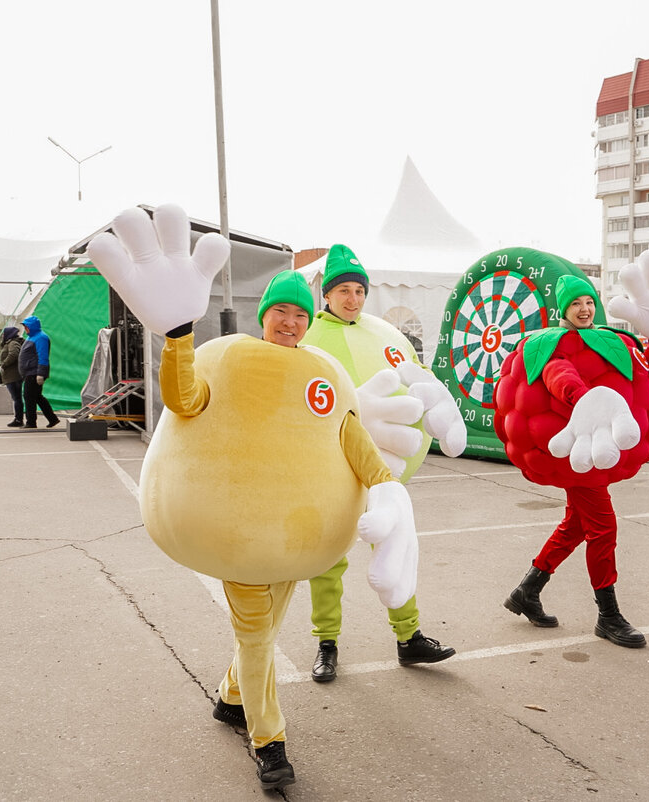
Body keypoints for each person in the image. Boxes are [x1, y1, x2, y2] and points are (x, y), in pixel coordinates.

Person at [86, 205, 420, 792]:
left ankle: (229, 696)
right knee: (258, 635)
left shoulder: (321, 373)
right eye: (280, 312)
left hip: (297, 539)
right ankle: (269, 742)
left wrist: (386, 486)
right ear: (264, 316)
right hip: (242, 532)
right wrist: (179, 336)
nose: (290, 322)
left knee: (266, 626)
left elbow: (350, 435)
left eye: (299, 313)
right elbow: (185, 398)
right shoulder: (231, 357)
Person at [496, 258, 649, 648]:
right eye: (576, 303)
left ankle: (527, 591)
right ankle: (608, 615)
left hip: (601, 449)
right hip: (577, 452)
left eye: (589, 302)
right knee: (603, 527)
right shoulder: (550, 345)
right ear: (563, 309)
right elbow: (559, 375)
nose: (585, 309)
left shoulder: (613, 339)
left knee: (578, 524)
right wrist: (586, 402)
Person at [300, 244, 464, 681]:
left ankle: (409, 637)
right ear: (327, 295)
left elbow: (416, 383)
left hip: (381, 472)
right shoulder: (308, 341)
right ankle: (327, 643)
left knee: (396, 547)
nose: (352, 299)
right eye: (343, 291)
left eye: (358, 290)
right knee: (328, 562)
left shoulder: (387, 336)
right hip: (329, 470)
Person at [18, 316, 60, 429]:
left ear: (31, 327)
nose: (25, 328)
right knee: (37, 397)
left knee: (29, 397)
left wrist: (40, 374)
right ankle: (52, 419)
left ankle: (31, 422)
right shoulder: (32, 337)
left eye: (26, 326)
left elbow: (43, 356)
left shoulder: (41, 338)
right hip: (31, 373)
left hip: (34, 373)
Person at [0, 326, 24, 427]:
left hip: (13, 376)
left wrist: (4, 364)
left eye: (4, 334)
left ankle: (18, 419)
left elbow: (14, 354)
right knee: (17, 398)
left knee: (16, 398)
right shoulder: (11, 342)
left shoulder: (12, 343)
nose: (3, 336)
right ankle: (18, 418)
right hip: (12, 376)